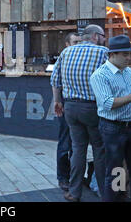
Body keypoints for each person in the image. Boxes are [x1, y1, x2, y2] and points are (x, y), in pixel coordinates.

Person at [50, 24, 107, 202]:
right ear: (96, 36)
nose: (105, 39)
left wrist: (58, 101)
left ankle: (74, 193)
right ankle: (104, 192)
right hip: (93, 108)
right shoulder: (103, 52)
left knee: (77, 149)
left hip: (71, 108)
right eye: (103, 36)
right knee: (99, 149)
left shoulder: (66, 53)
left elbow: (55, 79)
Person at [90, 35, 131, 202]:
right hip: (113, 128)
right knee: (116, 172)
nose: (129, 58)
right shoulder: (100, 75)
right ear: (112, 54)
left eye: (129, 54)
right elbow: (107, 103)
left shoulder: (129, 72)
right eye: (125, 54)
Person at [56, 32, 80, 192]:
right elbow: (55, 80)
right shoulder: (64, 58)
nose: (77, 44)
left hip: (79, 105)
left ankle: (74, 177)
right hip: (66, 103)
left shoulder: (82, 57)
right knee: (66, 141)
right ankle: (63, 177)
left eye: (79, 41)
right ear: (67, 44)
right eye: (74, 42)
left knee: (77, 145)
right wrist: (57, 101)